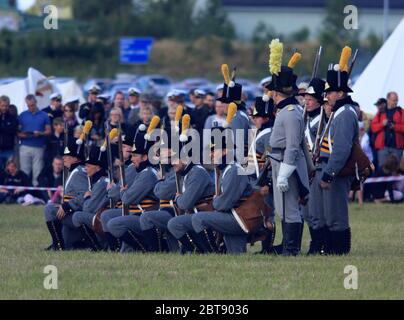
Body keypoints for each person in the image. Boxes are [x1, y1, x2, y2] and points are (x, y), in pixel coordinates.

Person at [266, 44, 309, 256]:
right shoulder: (285, 110)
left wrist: (285, 172)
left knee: (290, 208)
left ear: (276, 92)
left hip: (286, 163)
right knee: (283, 208)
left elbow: (293, 145)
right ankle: (287, 245)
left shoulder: (291, 112)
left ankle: (291, 249)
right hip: (279, 160)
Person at [319, 49, 359, 255]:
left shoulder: (344, 114)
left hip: (337, 170)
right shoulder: (339, 112)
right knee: (329, 212)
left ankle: (340, 249)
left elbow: (341, 149)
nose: (326, 96)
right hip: (331, 167)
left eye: (330, 92)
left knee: (336, 213)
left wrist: (328, 174)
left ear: (341, 93)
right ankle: (332, 247)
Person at [191, 127, 253, 254]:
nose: (210, 154)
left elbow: (224, 204)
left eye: (214, 150)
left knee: (198, 219)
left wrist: (215, 201)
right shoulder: (227, 169)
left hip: (239, 219)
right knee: (236, 255)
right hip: (234, 215)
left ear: (225, 151)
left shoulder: (234, 170)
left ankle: (211, 253)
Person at [106, 123, 159, 252]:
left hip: (143, 213)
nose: (132, 158)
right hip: (136, 212)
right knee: (108, 217)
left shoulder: (147, 174)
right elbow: (117, 194)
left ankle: (143, 248)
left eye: (135, 156)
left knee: (114, 224)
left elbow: (127, 199)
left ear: (145, 157)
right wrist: (123, 191)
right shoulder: (142, 171)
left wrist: (124, 191)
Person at [166, 133, 216, 254]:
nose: (171, 163)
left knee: (175, 223)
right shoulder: (187, 172)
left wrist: (178, 198)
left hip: (205, 214)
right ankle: (196, 250)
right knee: (174, 224)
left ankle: (207, 251)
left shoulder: (196, 172)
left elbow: (185, 203)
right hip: (197, 214)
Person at [43, 138, 88, 251]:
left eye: (67, 156)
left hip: (76, 212)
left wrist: (67, 206)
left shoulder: (79, 173)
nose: (64, 158)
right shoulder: (75, 171)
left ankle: (57, 244)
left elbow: (84, 196)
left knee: (49, 209)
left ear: (75, 158)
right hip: (72, 211)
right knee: (69, 244)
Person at [302, 77, 327, 255]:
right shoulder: (304, 119)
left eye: (310, 99)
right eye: (306, 99)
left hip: (317, 167)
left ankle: (319, 244)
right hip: (305, 168)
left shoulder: (323, 120)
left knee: (316, 212)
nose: (307, 102)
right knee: (306, 212)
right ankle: (315, 242)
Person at [250, 96, 277, 254]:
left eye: (256, 117)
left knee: (268, 214)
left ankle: (267, 248)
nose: (254, 120)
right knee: (263, 214)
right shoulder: (263, 133)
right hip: (259, 180)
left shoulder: (267, 134)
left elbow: (270, 162)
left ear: (265, 117)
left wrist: (267, 183)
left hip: (264, 181)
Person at [72, 146, 110, 251]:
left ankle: (95, 246)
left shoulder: (101, 182)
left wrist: (87, 197)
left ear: (98, 167)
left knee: (77, 216)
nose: (86, 168)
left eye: (88, 166)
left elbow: (89, 208)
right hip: (100, 216)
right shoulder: (99, 181)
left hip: (101, 218)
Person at [18, 94, 51, 186]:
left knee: (38, 171)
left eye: (32, 105)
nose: (30, 107)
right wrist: (22, 135)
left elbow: (48, 131)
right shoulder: (22, 115)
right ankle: (24, 192)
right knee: (24, 171)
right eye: (28, 105)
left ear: (36, 102)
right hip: (25, 146)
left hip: (39, 147)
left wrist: (40, 133)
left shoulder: (44, 115)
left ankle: (37, 192)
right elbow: (17, 132)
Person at [370, 91, 404, 167]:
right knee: (383, 170)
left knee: (395, 171)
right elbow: (373, 128)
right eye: (393, 100)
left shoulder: (401, 112)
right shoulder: (380, 113)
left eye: (396, 100)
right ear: (388, 99)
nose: (395, 102)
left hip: (397, 148)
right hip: (383, 148)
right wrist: (382, 124)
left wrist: (395, 127)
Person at [0, 95, 18, 170]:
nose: (4, 108)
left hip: (8, 150)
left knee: (9, 171)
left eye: (6, 106)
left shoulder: (12, 118)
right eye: (2, 106)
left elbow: (12, 130)